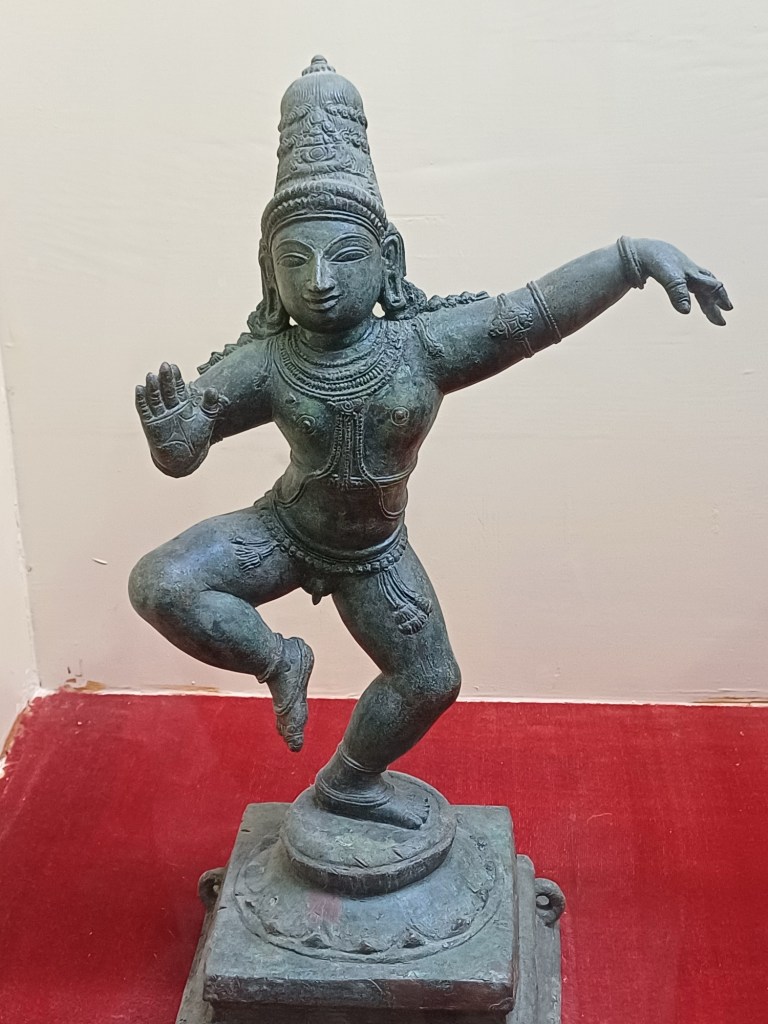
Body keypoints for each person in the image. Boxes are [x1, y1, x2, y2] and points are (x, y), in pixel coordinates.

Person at [129, 57, 731, 830]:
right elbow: (187, 451)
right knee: (161, 585)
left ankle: (348, 784)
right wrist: (172, 436)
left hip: (375, 554)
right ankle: (281, 661)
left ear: (389, 259)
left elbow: (532, 313)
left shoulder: (424, 347)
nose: (319, 280)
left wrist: (629, 260)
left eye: (346, 256)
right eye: (295, 260)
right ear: (268, 272)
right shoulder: (270, 360)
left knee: (430, 680)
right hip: (282, 531)